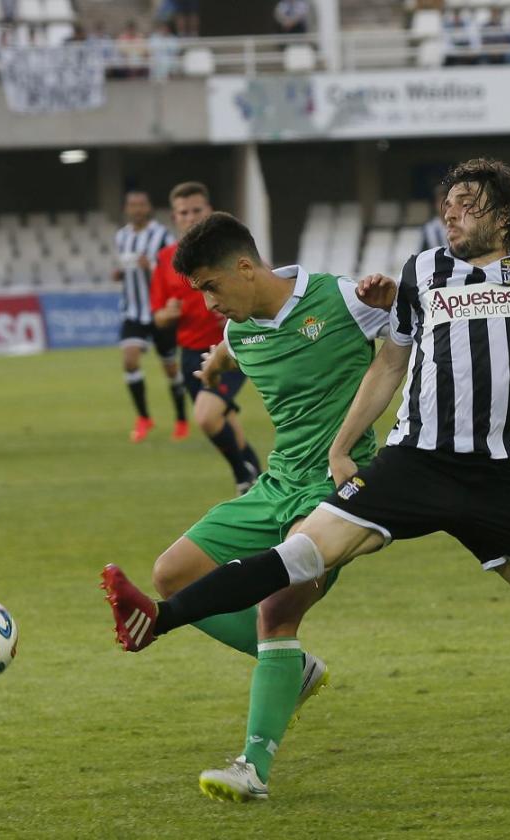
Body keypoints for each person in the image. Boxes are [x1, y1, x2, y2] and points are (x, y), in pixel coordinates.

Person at [102, 65, 510, 784]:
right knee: (302, 554)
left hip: (494, 480)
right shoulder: (423, 271)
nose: (449, 214)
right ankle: (157, 621)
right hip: (410, 463)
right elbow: (389, 363)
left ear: (504, 216)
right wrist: (338, 448)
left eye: (465, 205)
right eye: (445, 203)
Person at [103, 211, 399, 802]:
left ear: (246, 267)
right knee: (170, 574)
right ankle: (294, 669)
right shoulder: (239, 332)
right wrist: (214, 361)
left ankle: (253, 767)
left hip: (334, 493)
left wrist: (391, 298)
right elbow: (230, 352)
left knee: (275, 613)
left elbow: (409, 325)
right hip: (275, 484)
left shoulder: (339, 299)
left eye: (211, 286)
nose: (207, 303)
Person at [149, 181, 261, 491]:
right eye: (183, 212)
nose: (190, 217)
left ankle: (242, 477)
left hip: (229, 347)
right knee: (221, 420)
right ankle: (256, 478)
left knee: (207, 416)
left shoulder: (232, 253)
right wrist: (167, 315)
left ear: (209, 211)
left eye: (196, 210)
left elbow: (260, 287)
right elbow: (157, 316)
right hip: (189, 353)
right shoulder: (166, 260)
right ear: (175, 217)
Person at [112, 189, 185, 442]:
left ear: (149, 207)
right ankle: (144, 417)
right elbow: (123, 268)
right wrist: (119, 274)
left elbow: (172, 271)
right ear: (126, 208)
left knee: (171, 369)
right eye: (132, 205)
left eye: (141, 204)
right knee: (130, 360)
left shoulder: (161, 235)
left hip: (158, 311)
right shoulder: (121, 237)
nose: (137, 209)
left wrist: (151, 267)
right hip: (132, 311)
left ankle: (181, 418)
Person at [420, 181, 450, 251]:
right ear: (435, 205)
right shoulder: (428, 229)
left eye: (446, 202)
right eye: (440, 202)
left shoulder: (459, 225)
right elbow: (421, 254)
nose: (443, 206)